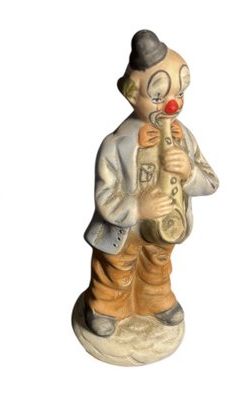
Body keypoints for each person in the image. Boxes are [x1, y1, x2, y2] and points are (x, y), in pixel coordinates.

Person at [83, 30, 218, 337]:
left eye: (179, 94)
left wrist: (189, 172)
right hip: (124, 231)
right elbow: (105, 196)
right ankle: (105, 306)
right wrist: (138, 207)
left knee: (158, 265)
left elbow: (211, 182)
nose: (173, 105)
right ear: (132, 95)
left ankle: (154, 299)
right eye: (158, 96)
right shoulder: (116, 144)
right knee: (116, 268)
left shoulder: (184, 138)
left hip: (166, 227)